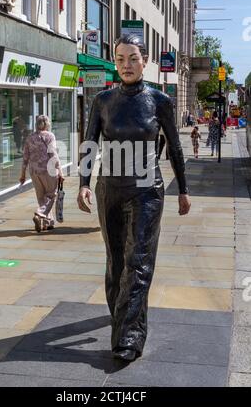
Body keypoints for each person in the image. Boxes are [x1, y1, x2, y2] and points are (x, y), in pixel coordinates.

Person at [77, 34, 191, 363]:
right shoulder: (103, 101)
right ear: (115, 61)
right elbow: (90, 142)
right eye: (121, 58)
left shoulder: (160, 101)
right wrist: (84, 182)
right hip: (109, 189)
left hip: (147, 190)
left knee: (138, 263)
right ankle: (124, 320)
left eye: (133, 58)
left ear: (145, 61)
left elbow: (175, 149)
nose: (126, 65)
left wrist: (183, 189)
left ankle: (129, 336)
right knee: (116, 264)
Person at [19, 115, 64, 232]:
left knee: (41, 197)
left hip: (34, 171)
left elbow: (25, 157)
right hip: (48, 170)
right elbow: (53, 154)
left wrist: (23, 174)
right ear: (47, 124)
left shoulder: (30, 137)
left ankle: (48, 222)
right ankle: (39, 214)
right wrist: (60, 171)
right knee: (51, 195)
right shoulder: (50, 136)